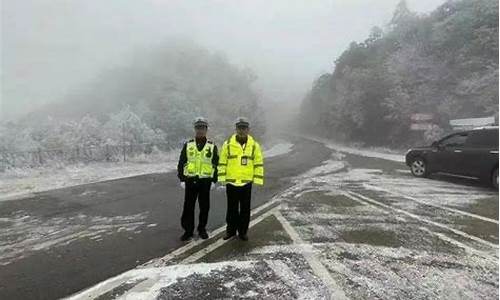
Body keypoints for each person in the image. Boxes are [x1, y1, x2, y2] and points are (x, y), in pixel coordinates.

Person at [217, 117, 264, 241]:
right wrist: (222, 178)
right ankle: (231, 231)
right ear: (236, 129)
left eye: (244, 128)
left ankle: (243, 232)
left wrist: (258, 179)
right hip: (231, 182)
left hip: (246, 183)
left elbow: (258, 163)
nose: (241, 130)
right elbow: (222, 163)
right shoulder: (227, 144)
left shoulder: (254, 145)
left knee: (245, 209)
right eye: (239, 128)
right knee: (231, 209)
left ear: (248, 129)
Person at [177, 117, 219, 241]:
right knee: (188, 207)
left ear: (206, 129)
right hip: (190, 180)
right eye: (198, 128)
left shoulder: (211, 146)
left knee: (204, 207)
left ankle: (202, 229)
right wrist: (182, 179)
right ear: (195, 129)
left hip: (205, 182)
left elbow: (216, 164)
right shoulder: (188, 145)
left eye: (202, 128)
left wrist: (214, 180)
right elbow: (182, 162)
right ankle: (188, 231)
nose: (200, 130)